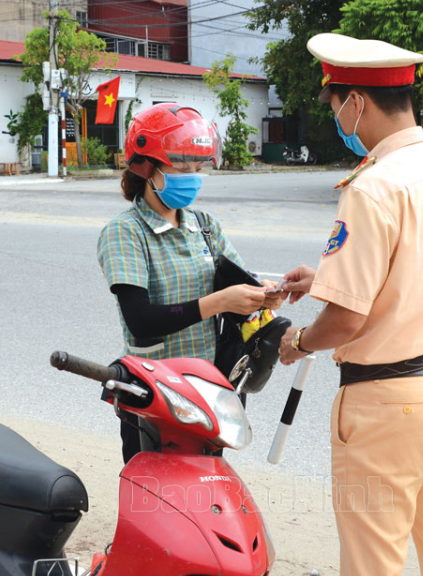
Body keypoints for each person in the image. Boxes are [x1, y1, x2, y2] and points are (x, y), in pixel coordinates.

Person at [277, 33, 423, 576]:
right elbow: (420, 267)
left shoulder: (373, 187)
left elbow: (347, 319)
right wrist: (325, 277)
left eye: (334, 105)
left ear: (358, 103)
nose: (335, 118)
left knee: (375, 563)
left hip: (390, 405)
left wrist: (299, 342)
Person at [97, 103, 281, 463]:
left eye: (197, 168)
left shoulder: (204, 225)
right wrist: (220, 302)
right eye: (182, 168)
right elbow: (140, 319)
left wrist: (263, 293)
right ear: (146, 168)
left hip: (209, 391)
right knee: (157, 497)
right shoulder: (125, 232)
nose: (192, 177)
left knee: (205, 486)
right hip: (155, 393)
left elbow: (238, 279)